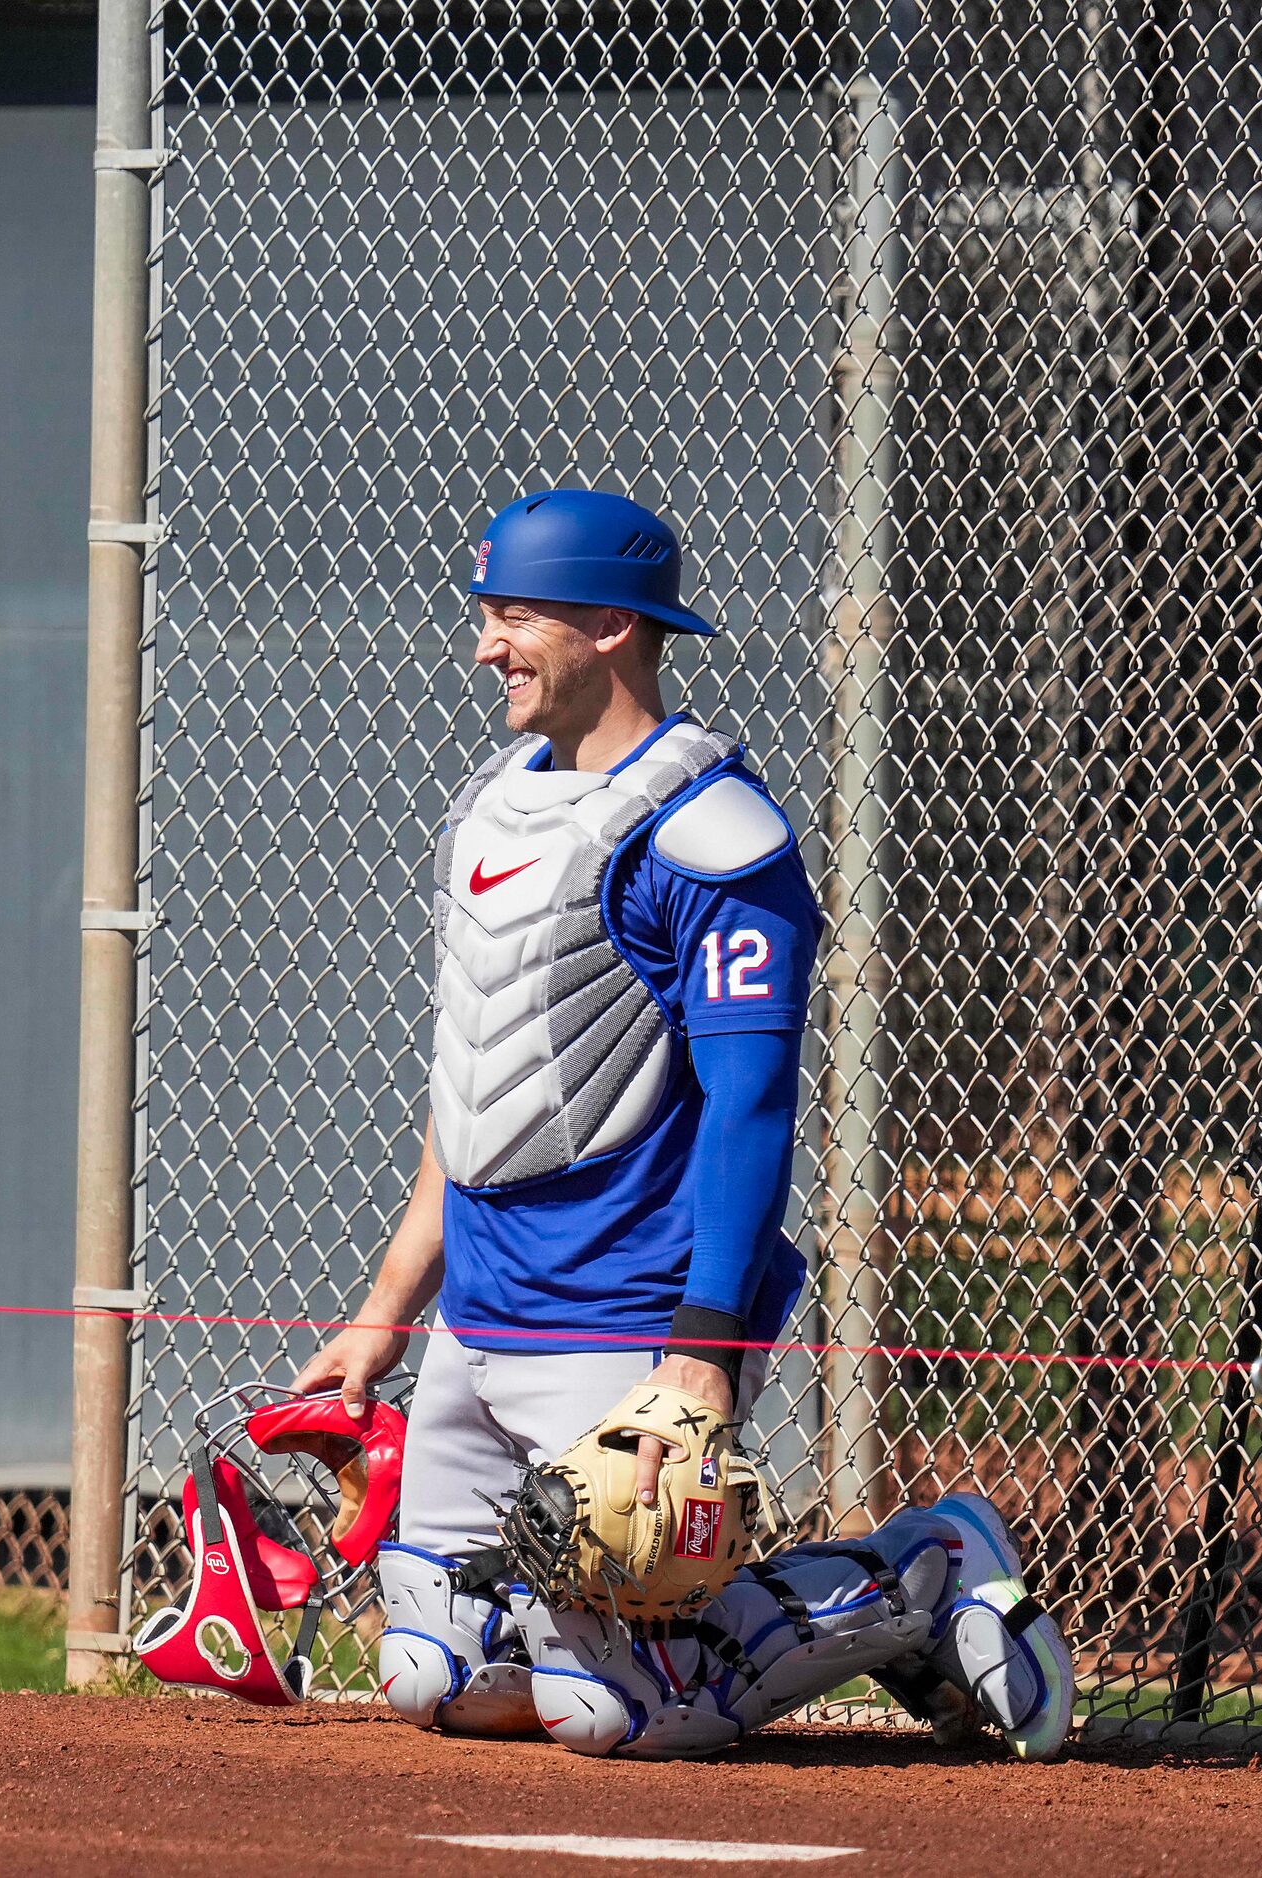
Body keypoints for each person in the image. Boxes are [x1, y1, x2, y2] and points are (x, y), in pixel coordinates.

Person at [293, 488, 1075, 1758]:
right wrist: (386, 1314)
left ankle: (918, 1574)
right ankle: (639, 1628)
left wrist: (704, 1349)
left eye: (513, 618)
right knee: (435, 1672)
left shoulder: (709, 832)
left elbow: (754, 1105)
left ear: (610, 625)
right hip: (482, 1316)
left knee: (618, 1712)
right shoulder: (495, 806)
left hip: (626, 1313)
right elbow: (475, 1089)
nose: (486, 646)